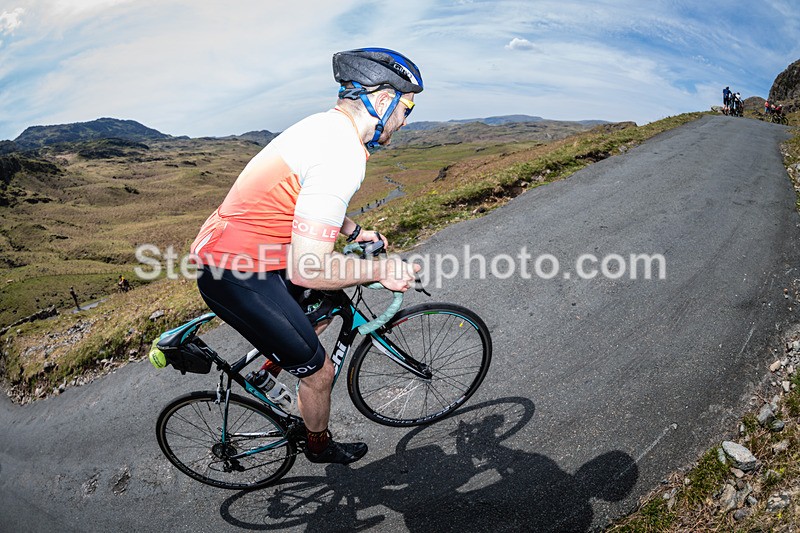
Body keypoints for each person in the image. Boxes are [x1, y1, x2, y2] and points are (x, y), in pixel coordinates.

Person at [189, 48, 423, 465]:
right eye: (407, 107)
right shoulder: (342, 153)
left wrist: (353, 231)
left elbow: (305, 198)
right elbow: (309, 268)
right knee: (320, 373)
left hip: (243, 251)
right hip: (236, 272)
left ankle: (271, 368)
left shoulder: (324, 127)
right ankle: (319, 445)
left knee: (326, 306)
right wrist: (381, 270)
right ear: (384, 99)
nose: (406, 120)